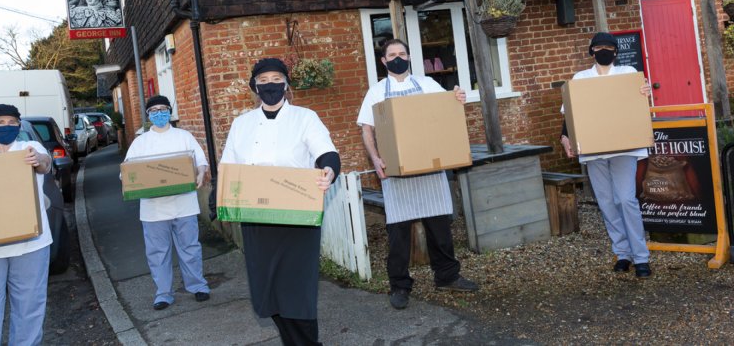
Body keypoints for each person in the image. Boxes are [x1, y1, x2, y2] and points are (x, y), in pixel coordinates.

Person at [220, 58, 339, 346]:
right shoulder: (242, 124)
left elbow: (326, 151)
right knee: (267, 290)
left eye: (276, 78)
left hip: (297, 217)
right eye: (263, 80)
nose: (269, 84)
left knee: (298, 289)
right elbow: (228, 166)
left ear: (286, 84)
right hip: (257, 218)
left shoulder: (305, 117)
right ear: (254, 86)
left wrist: (329, 169)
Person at [357, 38, 479, 310]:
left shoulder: (427, 85)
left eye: (402, 53)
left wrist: (458, 97)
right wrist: (376, 159)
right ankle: (399, 285)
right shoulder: (376, 92)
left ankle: (447, 275)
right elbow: (367, 129)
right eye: (392, 55)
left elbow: (446, 112)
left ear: (409, 57)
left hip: (430, 168)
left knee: (440, 229)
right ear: (384, 61)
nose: (397, 58)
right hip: (396, 173)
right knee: (398, 234)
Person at [560, 32, 653, 278]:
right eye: (599, 47)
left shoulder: (628, 74)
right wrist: (565, 137)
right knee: (606, 203)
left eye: (608, 47)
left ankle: (641, 256)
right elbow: (570, 112)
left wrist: (643, 93)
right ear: (592, 51)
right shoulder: (581, 78)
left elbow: (639, 107)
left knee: (625, 199)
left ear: (615, 52)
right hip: (594, 151)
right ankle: (622, 253)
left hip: (625, 147)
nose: (604, 51)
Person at [0, 104, 53, 346]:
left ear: (19, 125)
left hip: (31, 244)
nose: (6, 126)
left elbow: (45, 163)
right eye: (0, 122)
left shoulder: (29, 150)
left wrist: (39, 160)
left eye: (12, 122)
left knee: (29, 307)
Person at [123, 95, 211, 310]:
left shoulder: (184, 136)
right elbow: (127, 172)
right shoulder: (140, 142)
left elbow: (200, 161)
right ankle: (163, 293)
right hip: (153, 209)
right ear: (148, 114)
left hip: (184, 204)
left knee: (189, 247)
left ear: (170, 111)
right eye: (154, 110)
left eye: (163, 109)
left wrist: (200, 172)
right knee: (157, 252)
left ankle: (198, 286)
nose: (159, 113)